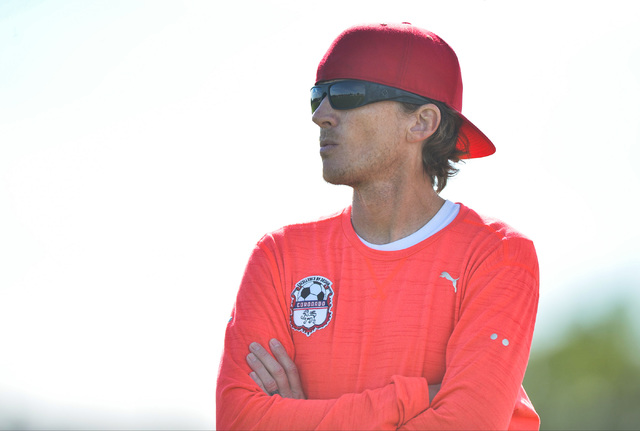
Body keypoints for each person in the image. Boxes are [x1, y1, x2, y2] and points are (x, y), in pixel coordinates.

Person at [216, 22, 540, 430]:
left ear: (421, 122)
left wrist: (303, 420)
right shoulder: (279, 255)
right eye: (318, 96)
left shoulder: (498, 254)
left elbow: (466, 424)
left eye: (347, 95)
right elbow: (239, 420)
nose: (320, 116)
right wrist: (420, 398)